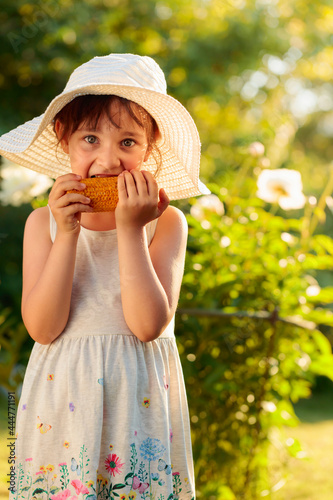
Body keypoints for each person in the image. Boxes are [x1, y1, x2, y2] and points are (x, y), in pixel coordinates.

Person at [0, 53, 209, 500]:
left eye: (128, 143)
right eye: (90, 138)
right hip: (61, 401)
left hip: (139, 402)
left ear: (150, 148)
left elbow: (148, 324)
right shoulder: (43, 224)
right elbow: (43, 327)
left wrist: (131, 230)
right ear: (64, 140)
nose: (108, 159)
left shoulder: (165, 224)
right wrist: (68, 233)